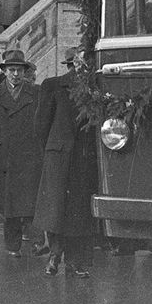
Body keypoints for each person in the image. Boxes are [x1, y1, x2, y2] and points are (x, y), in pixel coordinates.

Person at [33, 48, 99, 278]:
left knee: (78, 212)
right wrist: (53, 150)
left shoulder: (94, 88)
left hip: (83, 158)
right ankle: (54, 254)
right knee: (55, 209)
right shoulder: (52, 86)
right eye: (78, 65)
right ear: (71, 65)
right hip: (59, 157)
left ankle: (75, 261)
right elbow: (41, 125)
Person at [0, 49, 43, 257]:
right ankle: (12, 245)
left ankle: (37, 242)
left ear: (25, 72)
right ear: (4, 71)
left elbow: (43, 121)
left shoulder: (36, 93)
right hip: (5, 157)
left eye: (19, 70)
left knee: (32, 201)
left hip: (30, 155)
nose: (16, 74)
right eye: (11, 70)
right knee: (9, 205)